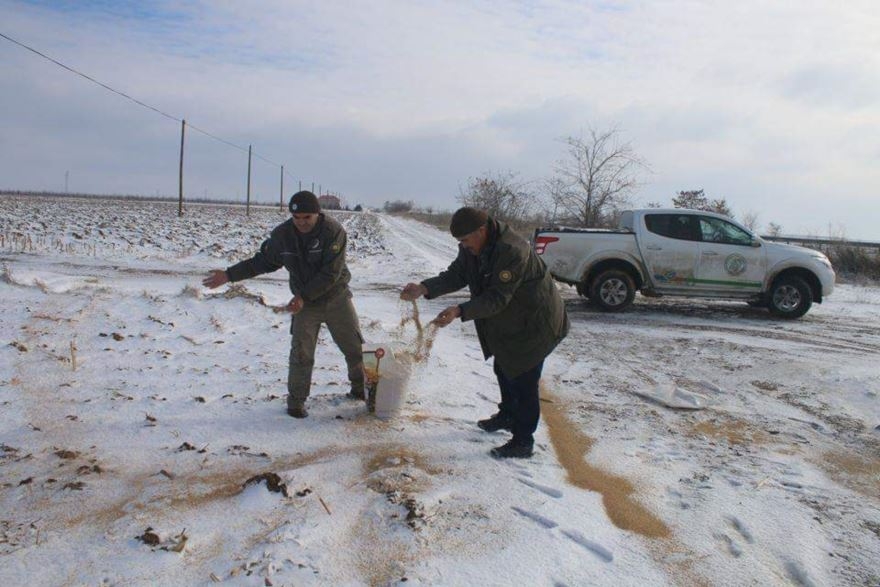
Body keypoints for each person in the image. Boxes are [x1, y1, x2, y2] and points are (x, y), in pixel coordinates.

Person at [401, 207, 569, 458]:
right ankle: (508, 415)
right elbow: (458, 274)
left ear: (482, 230)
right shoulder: (473, 245)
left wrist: (460, 310)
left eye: (466, 240)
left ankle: (523, 440)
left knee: (524, 378)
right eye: (460, 242)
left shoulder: (512, 250)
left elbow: (497, 298)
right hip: (512, 320)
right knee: (503, 367)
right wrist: (424, 288)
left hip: (536, 322)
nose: (464, 246)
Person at [202, 190, 364, 418]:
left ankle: (361, 390)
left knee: (355, 349)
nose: (301, 223)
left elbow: (331, 273)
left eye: (307, 217)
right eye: (296, 218)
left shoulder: (333, 232)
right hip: (305, 306)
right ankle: (296, 402)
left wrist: (302, 297)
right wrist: (229, 275)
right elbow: (263, 262)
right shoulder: (283, 236)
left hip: (336, 299)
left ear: (317, 214)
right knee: (301, 353)